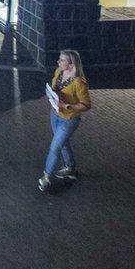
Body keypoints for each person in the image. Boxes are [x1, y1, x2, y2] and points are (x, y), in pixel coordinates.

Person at [38, 49, 91, 193]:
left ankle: (46, 176)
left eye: (62, 60)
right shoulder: (58, 72)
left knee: (55, 147)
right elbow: (55, 87)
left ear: (71, 64)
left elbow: (86, 104)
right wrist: (51, 94)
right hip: (55, 114)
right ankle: (70, 168)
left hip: (69, 119)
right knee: (63, 142)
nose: (58, 62)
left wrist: (67, 105)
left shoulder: (79, 83)